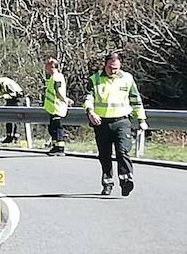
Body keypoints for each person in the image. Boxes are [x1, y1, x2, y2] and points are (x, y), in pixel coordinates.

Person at [84, 52, 148, 196]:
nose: (113, 71)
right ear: (105, 65)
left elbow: (136, 100)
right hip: (102, 123)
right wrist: (90, 112)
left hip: (122, 121)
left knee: (122, 151)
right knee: (104, 155)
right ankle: (107, 182)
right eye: (110, 68)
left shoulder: (127, 78)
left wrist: (141, 120)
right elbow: (88, 98)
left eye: (116, 68)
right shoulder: (94, 79)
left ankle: (126, 180)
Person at [43, 58, 74, 155]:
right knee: (52, 128)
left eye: (47, 64)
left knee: (57, 128)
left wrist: (65, 100)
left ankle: (60, 148)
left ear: (52, 65)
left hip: (57, 107)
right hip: (53, 108)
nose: (45, 67)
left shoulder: (56, 77)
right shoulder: (53, 77)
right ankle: (55, 146)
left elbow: (58, 91)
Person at [0, 75, 27, 143]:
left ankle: (16, 137)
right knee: (8, 117)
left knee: (17, 118)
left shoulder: (7, 83)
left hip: (18, 99)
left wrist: (1, 96)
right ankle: (9, 137)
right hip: (10, 100)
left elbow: (13, 94)